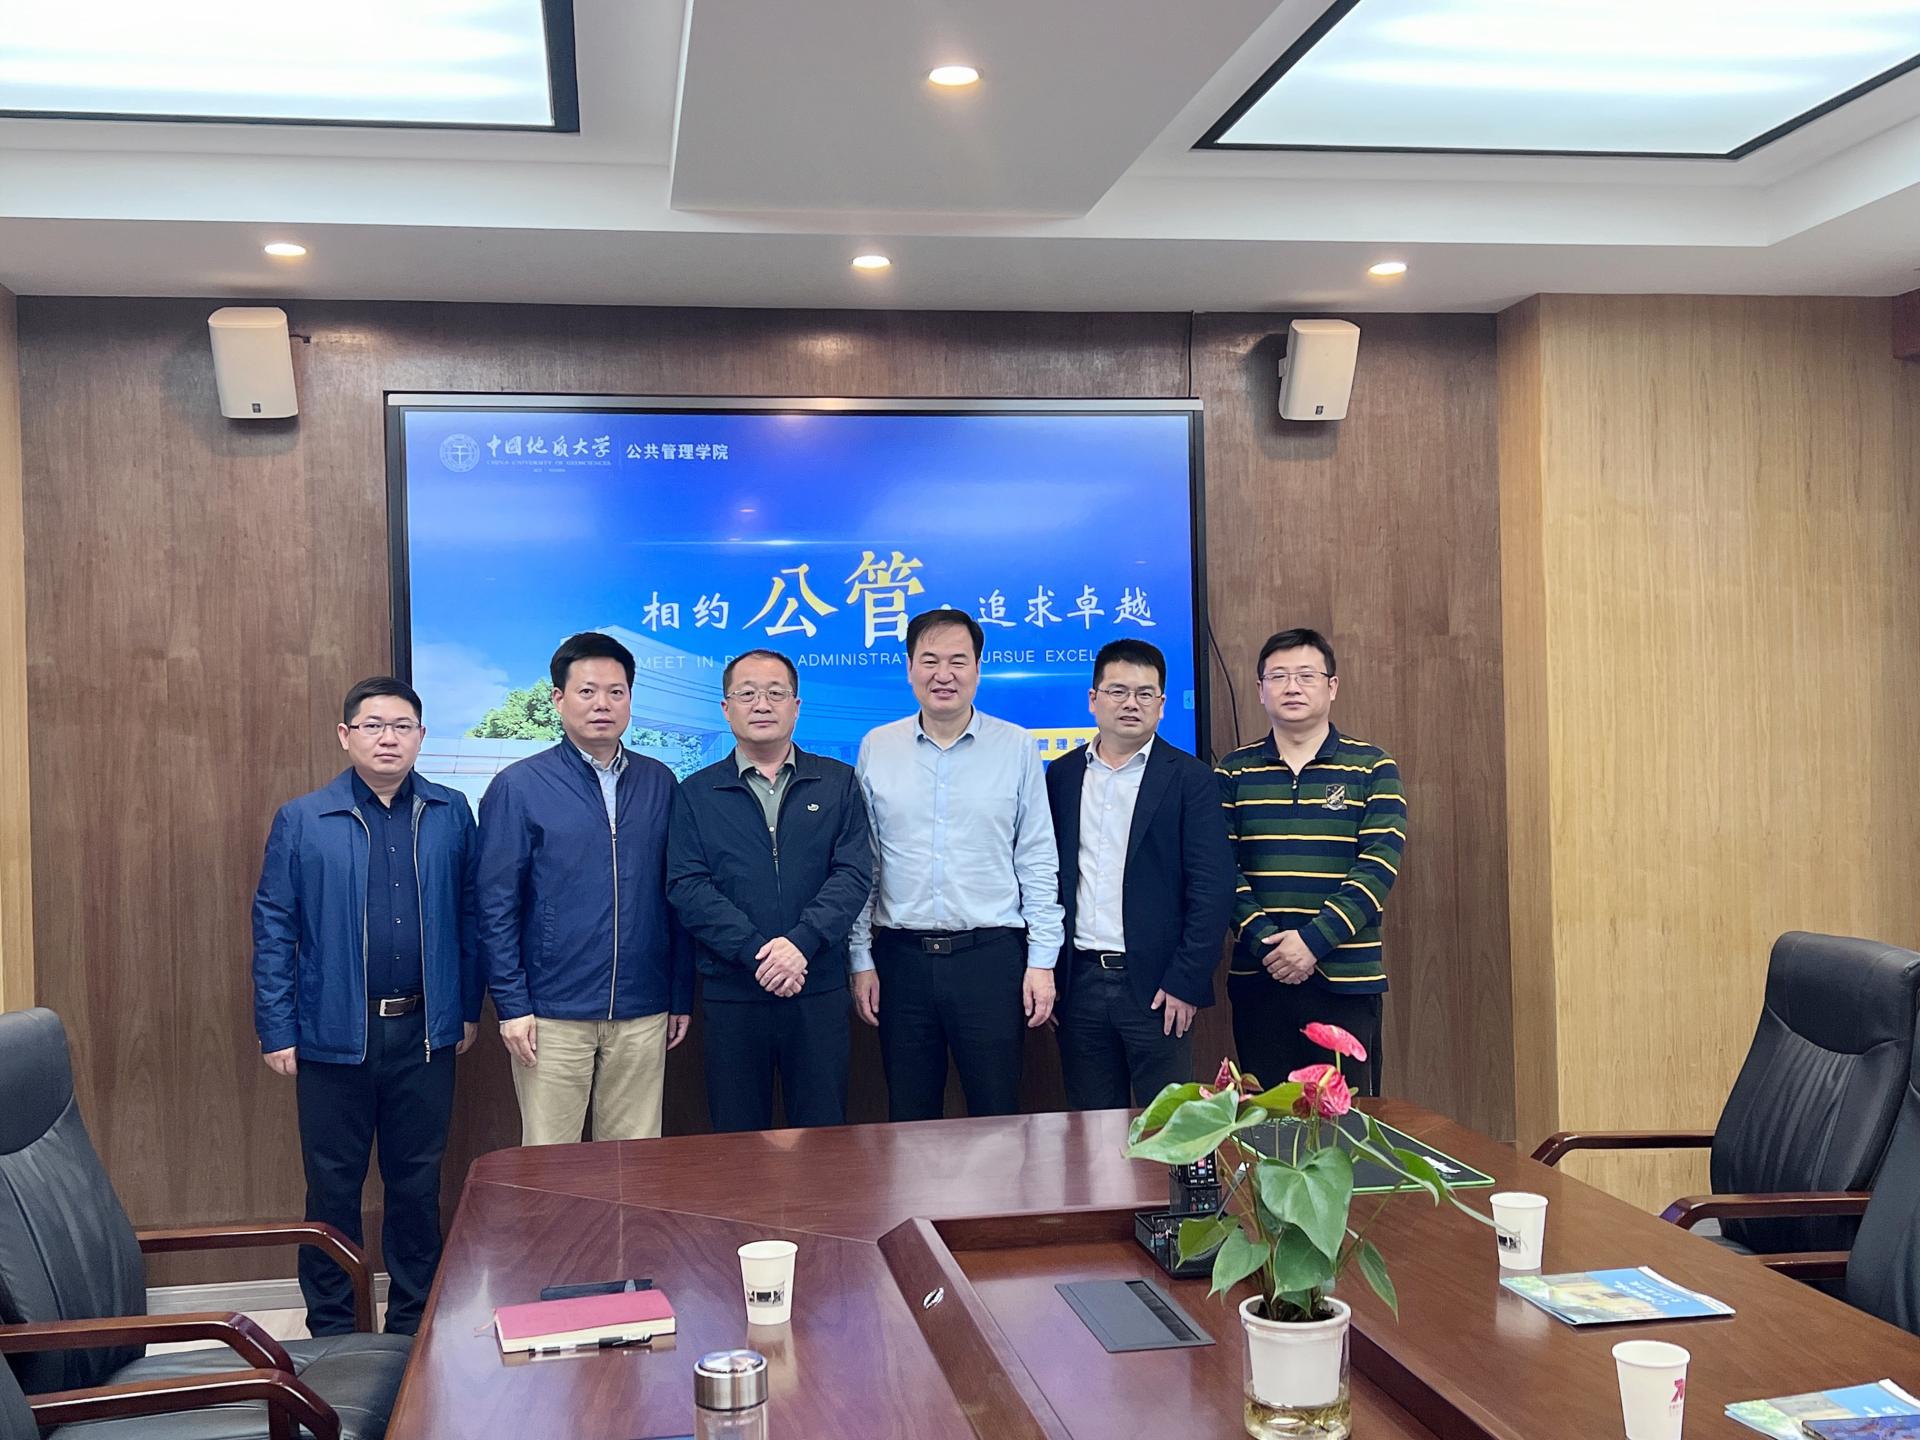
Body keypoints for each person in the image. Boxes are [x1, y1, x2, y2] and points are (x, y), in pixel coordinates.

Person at [251, 676, 481, 1337]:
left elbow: (471, 917)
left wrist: (466, 1008)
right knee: (332, 1189)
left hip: (425, 1032)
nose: (388, 738)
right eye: (373, 725)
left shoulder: (450, 812)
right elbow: (274, 927)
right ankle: (333, 1329)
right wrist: (277, 1027)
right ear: (345, 735)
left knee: (417, 1186)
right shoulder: (304, 818)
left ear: (421, 737)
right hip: (333, 1036)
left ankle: (414, 1324)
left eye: (402, 726)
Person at [476, 631, 692, 1145]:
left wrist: (678, 993)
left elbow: (679, 895)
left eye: (616, 692)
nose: (603, 704)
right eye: (587, 691)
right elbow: (496, 906)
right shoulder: (519, 786)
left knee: (634, 1159)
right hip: (551, 1013)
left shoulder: (660, 781)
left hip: (642, 1007)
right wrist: (512, 1005)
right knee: (551, 1163)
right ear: (559, 699)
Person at [849, 608, 1063, 1121]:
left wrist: (1042, 961)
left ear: (978, 669)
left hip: (990, 959)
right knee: (909, 1116)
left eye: (958, 661)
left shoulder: (1016, 745)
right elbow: (865, 863)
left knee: (998, 1115)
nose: (943, 674)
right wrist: (860, 958)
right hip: (901, 960)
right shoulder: (878, 746)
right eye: (929, 660)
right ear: (909, 668)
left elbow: (1036, 857)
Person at [667, 648, 872, 1131]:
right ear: (726, 708)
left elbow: (853, 873)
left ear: (796, 706)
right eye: (747, 694)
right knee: (736, 1138)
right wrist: (758, 953)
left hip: (816, 987)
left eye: (775, 693)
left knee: (823, 1133)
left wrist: (800, 945)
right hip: (733, 991)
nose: (762, 704)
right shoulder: (695, 793)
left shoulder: (838, 782)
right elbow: (687, 886)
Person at [1216, 628, 1406, 1095]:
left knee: (1346, 1118)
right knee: (1265, 1118)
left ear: (1332, 686)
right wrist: (1269, 945)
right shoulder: (1233, 772)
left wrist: (1312, 943)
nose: (1292, 687)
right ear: (1260, 690)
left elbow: (1378, 866)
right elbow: (1220, 869)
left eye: (1306, 675)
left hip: (1345, 980)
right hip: (1260, 978)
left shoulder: (1373, 767)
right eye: (1278, 676)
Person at [1046, 639, 1235, 1109]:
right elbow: (1047, 878)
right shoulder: (1062, 776)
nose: (1131, 703)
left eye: (1145, 693)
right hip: (1079, 983)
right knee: (1090, 1129)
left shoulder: (1191, 778)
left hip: (1158, 988)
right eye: (1118, 691)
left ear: (1162, 705)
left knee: (1167, 1130)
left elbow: (1212, 889)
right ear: (1093, 699)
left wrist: (1186, 981)